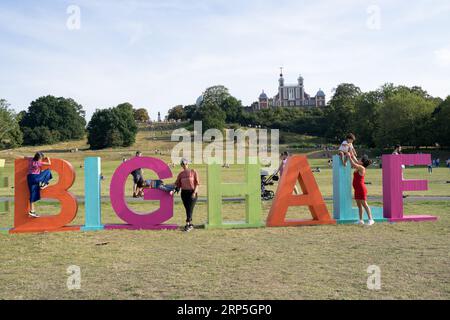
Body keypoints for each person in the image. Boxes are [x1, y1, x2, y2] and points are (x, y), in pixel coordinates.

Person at [346, 152, 375, 226]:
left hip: (361, 189)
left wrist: (349, 156)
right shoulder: (359, 166)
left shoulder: (361, 168)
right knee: (359, 205)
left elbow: (353, 164)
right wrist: (352, 156)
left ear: (362, 162)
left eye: (360, 159)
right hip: (357, 189)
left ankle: (371, 219)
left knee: (364, 204)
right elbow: (355, 161)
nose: (358, 159)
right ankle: (361, 220)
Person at [175, 158, 200, 232]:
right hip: (184, 193)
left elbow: (197, 183)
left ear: (187, 164)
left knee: (190, 208)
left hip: (192, 192)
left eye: (185, 163)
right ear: (181, 165)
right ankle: (190, 224)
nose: (184, 165)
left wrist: (194, 192)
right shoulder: (181, 174)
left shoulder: (193, 171)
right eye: (182, 164)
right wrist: (166, 186)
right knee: (188, 209)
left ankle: (187, 224)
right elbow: (177, 184)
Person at [27, 152, 53, 218]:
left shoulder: (31, 159)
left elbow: (24, 157)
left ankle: (32, 211)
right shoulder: (38, 163)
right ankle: (43, 185)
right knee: (48, 171)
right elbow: (49, 164)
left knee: (32, 194)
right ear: (39, 158)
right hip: (35, 177)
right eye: (41, 158)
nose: (41, 159)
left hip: (29, 178)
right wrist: (48, 159)